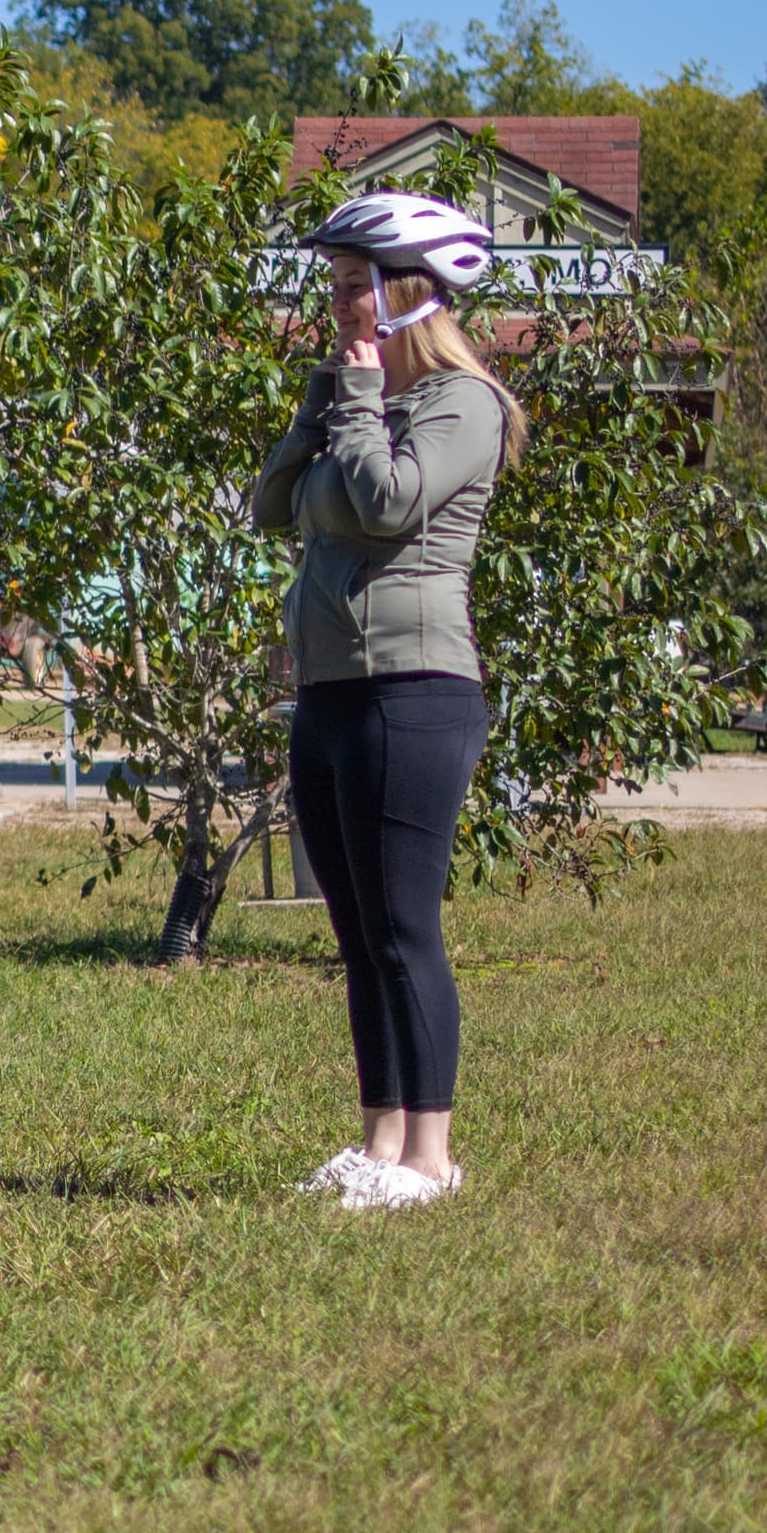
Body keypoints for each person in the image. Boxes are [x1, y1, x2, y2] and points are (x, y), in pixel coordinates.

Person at [248, 190, 527, 1214]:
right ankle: (377, 1144)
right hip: (330, 689)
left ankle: (431, 1158)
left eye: (352, 287)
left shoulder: (466, 404)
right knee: (357, 930)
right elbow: (272, 505)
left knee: (406, 923)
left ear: (411, 295)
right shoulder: (356, 396)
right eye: (334, 287)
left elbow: (387, 503)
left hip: (415, 691)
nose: (337, 305)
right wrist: (320, 402)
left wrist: (359, 406)